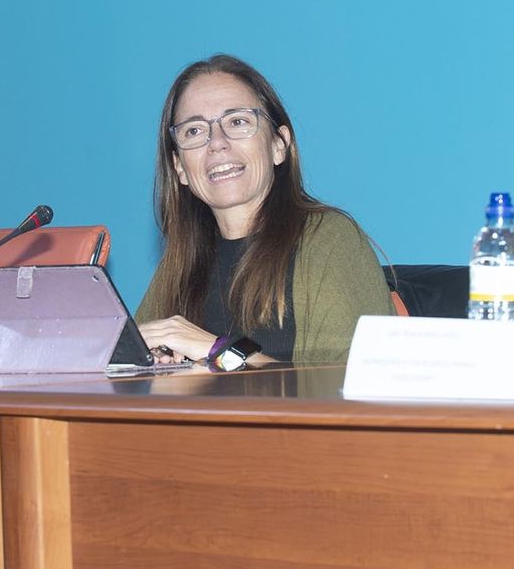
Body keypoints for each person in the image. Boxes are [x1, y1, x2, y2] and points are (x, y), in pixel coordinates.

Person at [136, 54, 394, 366]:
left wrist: (217, 351)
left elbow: (343, 387)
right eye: (194, 131)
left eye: (237, 122)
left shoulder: (331, 240)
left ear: (278, 144)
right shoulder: (179, 263)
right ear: (179, 168)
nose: (216, 143)